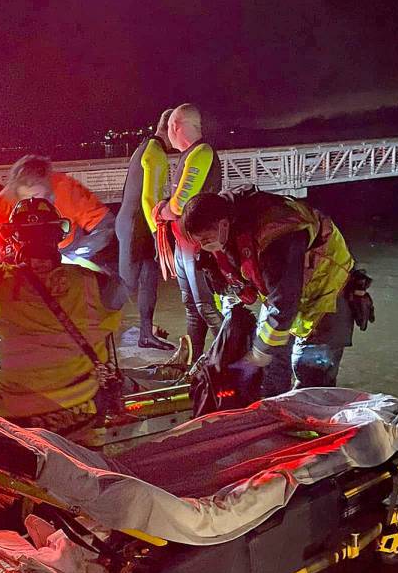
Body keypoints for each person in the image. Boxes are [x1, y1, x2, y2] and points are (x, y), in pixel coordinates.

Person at [0, 198, 127, 434]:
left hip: (15, 420)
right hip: (81, 412)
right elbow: (118, 294)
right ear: (58, 235)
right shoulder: (94, 283)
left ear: (13, 239)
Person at [178, 188, 366, 397]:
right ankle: (272, 408)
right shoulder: (228, 224)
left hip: (327, 293)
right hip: (287, 291)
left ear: (223, 225)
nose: (204, 247)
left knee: (310, 374)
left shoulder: (276, 234)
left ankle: (311, 417)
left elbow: (284, 304)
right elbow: (237, 284)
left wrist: (258, 354)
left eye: (206, 240)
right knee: (271, 369)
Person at [153, 103, 223, 359]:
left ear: (175, 126)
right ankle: (196, 359)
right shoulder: (188, 155)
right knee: (192, 306)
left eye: (169, 126)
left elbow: (181, 203)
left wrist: (161, 209)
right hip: (185, 244)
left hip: (200, 244)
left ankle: (229, 357)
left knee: (205, 305)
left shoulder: (202, 152)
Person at [0, 155, 117, 274]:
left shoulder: (67, 189)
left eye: (37, 195)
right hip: (22, 258)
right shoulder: (0, 205)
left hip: (67, 252)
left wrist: (83, 250)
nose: (32, 202)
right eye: (24, 197)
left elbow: (105, 224)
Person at [115, 110, 175, 349]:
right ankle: (93, 330)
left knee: (150, 281)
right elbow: (149, 198)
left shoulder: (147, 147)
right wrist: (156, 233)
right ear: (171, 128)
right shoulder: (155, 152)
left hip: (138, 224)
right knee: (126, 284)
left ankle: (146, 335)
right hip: (134, 226)